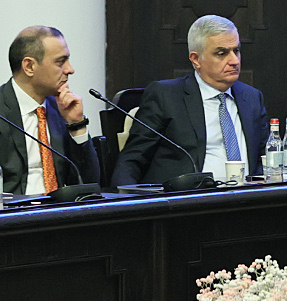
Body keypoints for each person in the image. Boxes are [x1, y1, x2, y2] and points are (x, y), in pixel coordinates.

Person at [110, 15, 267, 187]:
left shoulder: (252, 97)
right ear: (196, 59)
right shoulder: (166, 96)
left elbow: (265, 157)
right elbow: (132, 160)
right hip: (187, 198)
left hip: (246, 196)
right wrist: (125, 199)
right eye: (221, 54)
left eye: (236, 51)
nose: (234, 61)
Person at [0, 26, 100, 195]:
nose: (70, 69)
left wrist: (77, 125)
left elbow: (90, 183)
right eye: (60, 62)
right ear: (29, 66)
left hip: (59, 208)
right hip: (15, 209)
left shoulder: (60, 109)